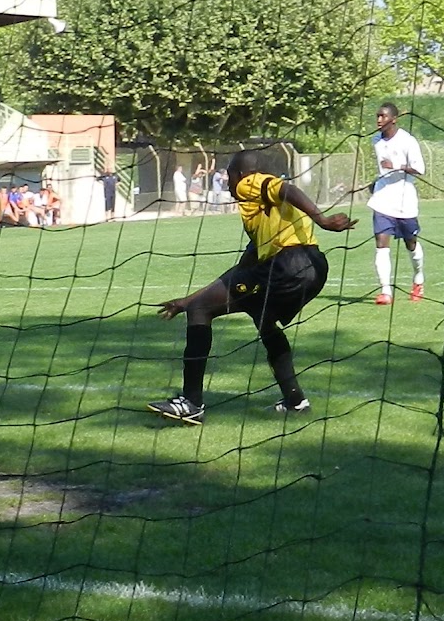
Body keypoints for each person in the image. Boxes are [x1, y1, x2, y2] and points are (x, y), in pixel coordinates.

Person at [149, 149, 355, 425]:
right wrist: (189, 300)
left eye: (230, 173)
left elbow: (285, 188)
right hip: (314, 267)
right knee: (261, 318)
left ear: (243, 174)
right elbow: (240, 272)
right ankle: (296, 401)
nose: (228, 178)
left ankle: (191, 403)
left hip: (289, 265)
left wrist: (323, 220)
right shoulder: (264, 218)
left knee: (202, 311)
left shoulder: (252, 183)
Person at [370, 102, 426, 304]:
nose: (378, 120)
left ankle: (418, 278)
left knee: (411, 244)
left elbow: (420, 169)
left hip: (405, 202)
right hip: (382, 200)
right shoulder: (375, 139)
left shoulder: (407, 141)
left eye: (383, 116)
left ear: (393, 119)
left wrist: (395, 166)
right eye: (377, 116)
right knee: (381, 244)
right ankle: (386, 291)